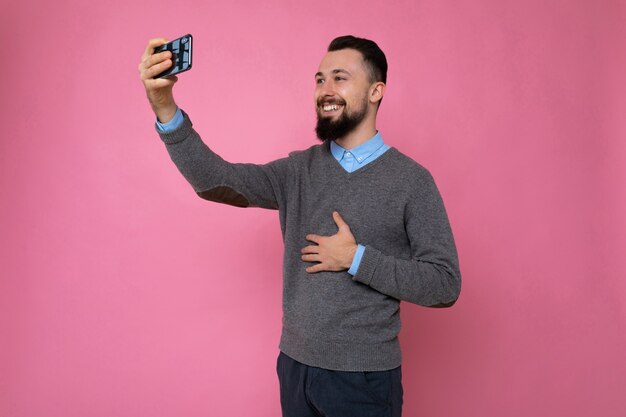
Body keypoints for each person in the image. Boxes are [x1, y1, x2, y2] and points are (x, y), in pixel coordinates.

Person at [138, 35, 461, 417]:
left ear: (376, 91)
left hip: (365, 379)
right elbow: (214, 180)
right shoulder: (297, 171)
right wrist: (165, 108)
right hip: (295, 368)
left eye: (339, 78)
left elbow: (444, 284)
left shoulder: (411, 181)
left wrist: (356, 258)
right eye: (320, 79)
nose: (325, 90)